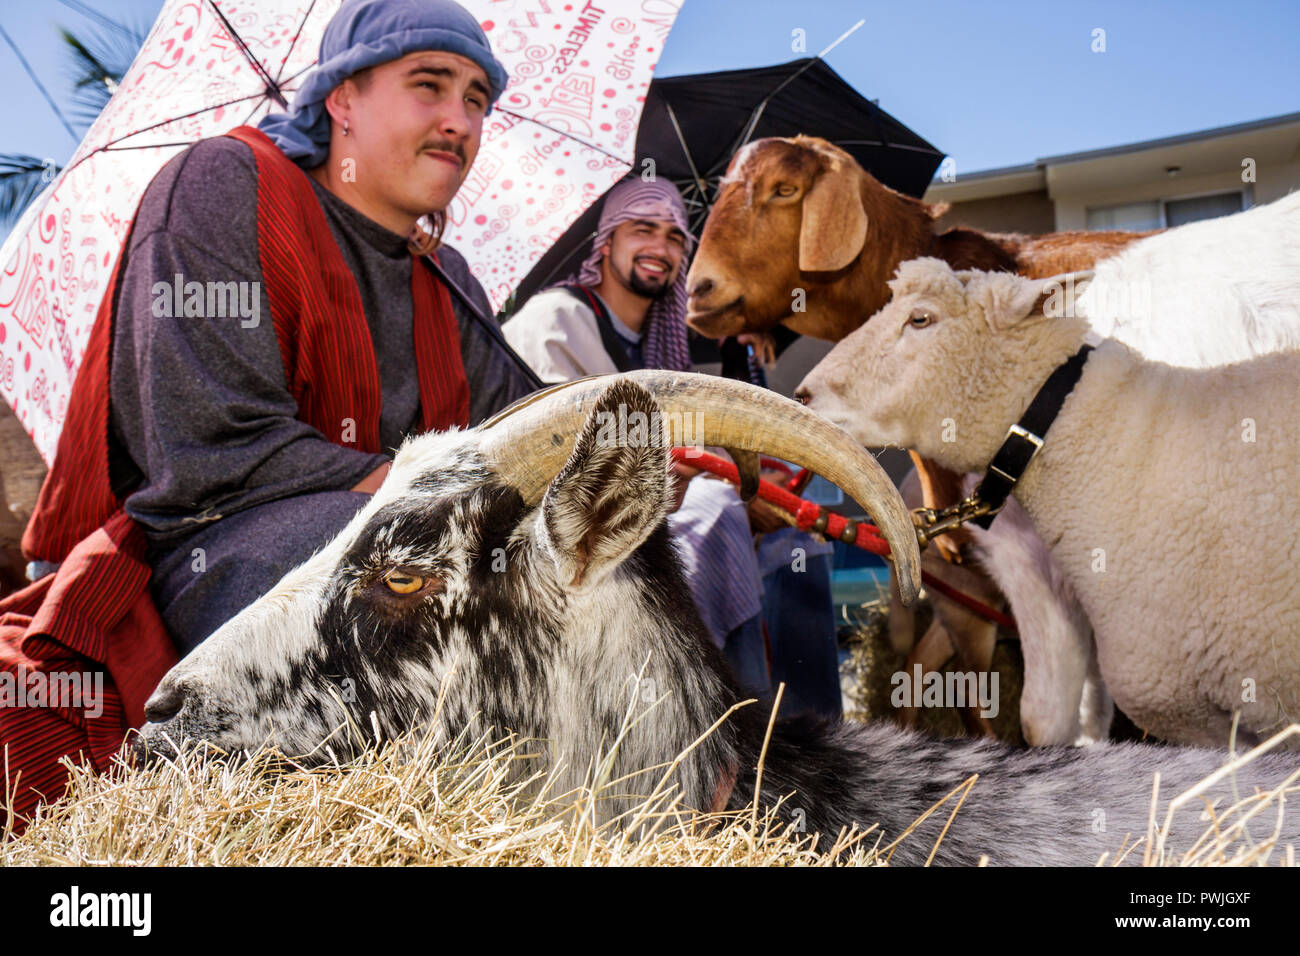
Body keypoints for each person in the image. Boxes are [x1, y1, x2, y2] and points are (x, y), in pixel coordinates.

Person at [2, 0, 535, 832]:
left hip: (406, 537)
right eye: (429, 84)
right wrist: (426, 488)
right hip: (209, 547)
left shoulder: (450, 277)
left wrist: (616, 449)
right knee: (412, 580)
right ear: (341, 100)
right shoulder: (222, 185)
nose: (458, 120)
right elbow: (208, 450)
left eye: (476, 99)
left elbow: (519, 442)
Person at [504, 178, 770, 695]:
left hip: (641, 521)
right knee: (718, 508)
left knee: (797, 545)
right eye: (642, 229)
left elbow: (687, 451)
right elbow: (564, 476)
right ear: (606, 243)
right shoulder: (554, 321)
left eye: (675, 237)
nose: (661, 248)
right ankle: (731, 722)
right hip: (554, 547)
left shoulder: (658, 348)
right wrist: (684, 473)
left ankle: (800, 725)